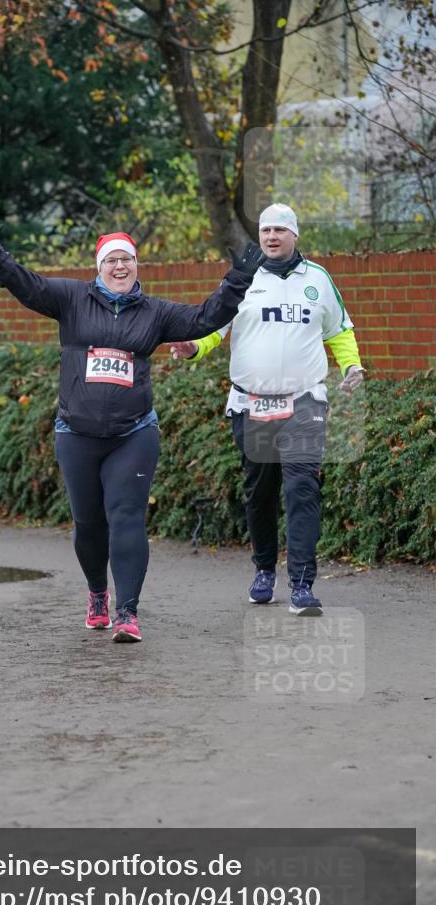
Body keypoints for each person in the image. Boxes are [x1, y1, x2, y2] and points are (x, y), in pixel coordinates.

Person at [0, 214, 265, 642]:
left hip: (133, 432)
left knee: (126, 517)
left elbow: (204, 319)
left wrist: (238, 279)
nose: (120, 267)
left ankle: (127, 613)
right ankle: (98, 594)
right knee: (89, 523)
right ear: (99, 267)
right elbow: (25, 284)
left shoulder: (155, 312)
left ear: (137, 265)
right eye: (111, 260)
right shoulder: (71, 298)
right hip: (77, 433)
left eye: (127, 260)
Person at [170, 203, 365, 617]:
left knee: (302, 489)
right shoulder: (244, 278)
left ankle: (301, 584)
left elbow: (340, 330)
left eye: (280, 229)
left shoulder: (318, 279)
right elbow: (214, 326)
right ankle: (263, 569)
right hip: (252, 404)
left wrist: (351, 366)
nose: (271, 237)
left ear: (295, 235)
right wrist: (192, 347)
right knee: (260, 492)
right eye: (265, 230)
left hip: (305, 402)